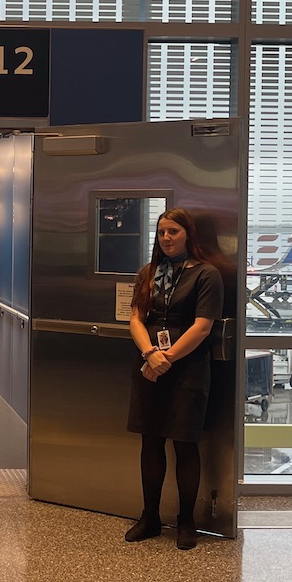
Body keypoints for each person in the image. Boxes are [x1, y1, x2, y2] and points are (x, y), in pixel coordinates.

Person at [124, 207, 224, 550]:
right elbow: (136, 318)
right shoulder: (148, 273)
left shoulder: (206, 274)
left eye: (174, 232)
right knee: (150, 442)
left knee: (185, 444)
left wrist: (166, 357)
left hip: (188, 369)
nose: (166, 238)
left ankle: (186, 521)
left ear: (188, 235)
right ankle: (150, 517)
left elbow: (202, 326)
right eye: (162, 232)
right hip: (150, 365)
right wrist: (150, 354)